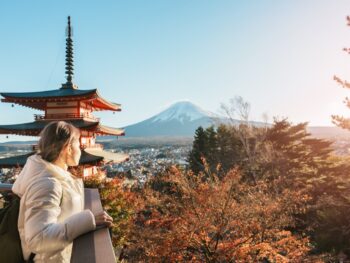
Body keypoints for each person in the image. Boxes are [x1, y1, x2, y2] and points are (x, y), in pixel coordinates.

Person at [12, 121, 113, 262]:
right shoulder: (47, 184)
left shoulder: (53, 177)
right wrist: (89, 221)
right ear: (68, 148)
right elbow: (38, 239)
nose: (81, 149)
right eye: (78, 145)